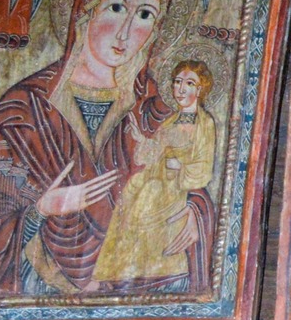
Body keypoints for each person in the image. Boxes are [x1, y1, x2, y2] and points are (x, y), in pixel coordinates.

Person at [0, 0, 214, 298]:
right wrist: (41, 210)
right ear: (85, 11)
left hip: (150, 274)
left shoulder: (157, 105)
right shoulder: (23, 109)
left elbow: (189, 173)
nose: (126, 32)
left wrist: (194, 210)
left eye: (145, 15)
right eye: (116, 7)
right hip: (41, 286)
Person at [93, 60, 219, 290]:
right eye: (177, 82)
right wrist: (142, 141)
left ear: (200, 89)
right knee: (134, 188)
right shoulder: (170, 121)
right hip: (155, 182)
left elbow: (203, 166)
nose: (181, 89)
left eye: (189, 83)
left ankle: (156, 272)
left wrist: (179, 166)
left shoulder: (205, 123)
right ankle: (121, 272)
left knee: (149, 193)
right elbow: (151, 157)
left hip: (176, 189)